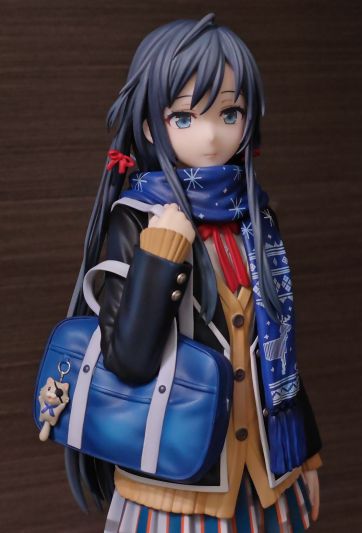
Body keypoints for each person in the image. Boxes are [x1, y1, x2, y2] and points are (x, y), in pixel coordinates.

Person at [66, 13, 322, 532]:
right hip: (177, 482)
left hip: (266, 476)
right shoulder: (138, 217)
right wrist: (162, 253)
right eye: (184, 117)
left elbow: (279, 348)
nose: (210, 135)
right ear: (149, 126)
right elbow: (127, 360)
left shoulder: (256, 218)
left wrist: (305, 455)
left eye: (229, 113)